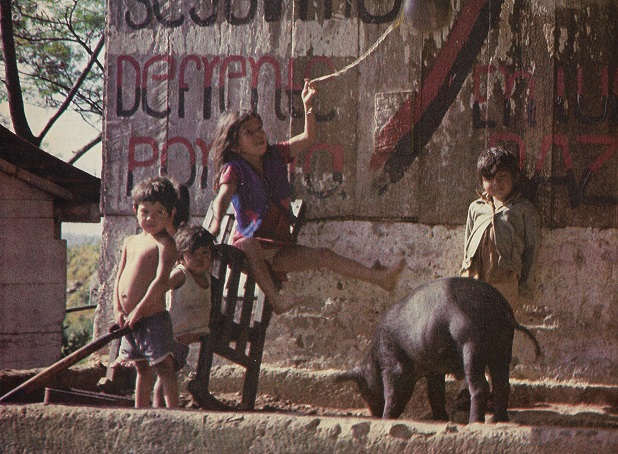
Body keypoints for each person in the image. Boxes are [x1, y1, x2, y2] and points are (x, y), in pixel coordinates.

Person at [208, 79, 405, 314]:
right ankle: (277, 300)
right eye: (249, 133)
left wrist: (308, 105)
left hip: (277, 248)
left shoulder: (275, 155)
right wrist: (216, 223)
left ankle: (379, 278)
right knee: (248, 244)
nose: (259, 135)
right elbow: (222, 198)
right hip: (247, 252)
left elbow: (308, 138)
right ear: (236, 147)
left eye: (259, 128)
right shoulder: (234, 168)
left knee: (324, 255)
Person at [113, 176, 189, 408]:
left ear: (171, 213)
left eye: (159, 213)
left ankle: (173, 410)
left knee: (163, 365)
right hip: (129, 319)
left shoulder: (166, 244)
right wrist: (118, 307)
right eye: (145, 212)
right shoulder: (130, 241)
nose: (151, 218)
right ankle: (140, 410)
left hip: (151, 317)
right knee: (141, 367)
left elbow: (159, 282)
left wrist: (138, 310)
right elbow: (119, 277)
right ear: (135, 210)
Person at [460, 146, 541, 308]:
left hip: (506, 284)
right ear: (482, 181)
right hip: (474, 282)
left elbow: (532, 251)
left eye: (502, 177)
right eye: (489, 178)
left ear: (515, 177)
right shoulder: (476, 208)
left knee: (500, 327)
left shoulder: (524, 210)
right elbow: (467, 245)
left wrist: (525, 290)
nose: (496, 183)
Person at [153, 225, 215, 407]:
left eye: (205, 253)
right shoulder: (180, 274)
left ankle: (162, 411)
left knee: (166, 378)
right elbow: (161, 288)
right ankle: (163, 411)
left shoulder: (207, 277)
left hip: (183, 342)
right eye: (193, 254)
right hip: (171, 337)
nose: (200, 258)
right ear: (181, 256)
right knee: (166, 377)